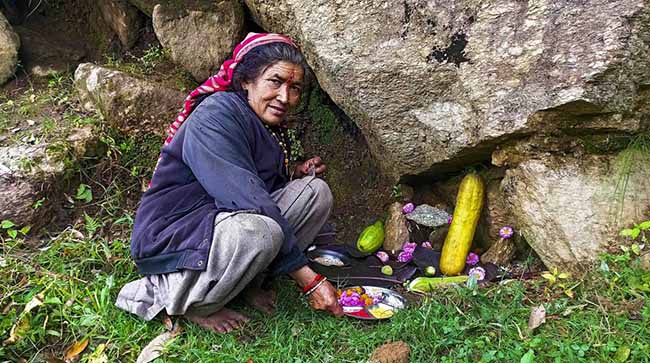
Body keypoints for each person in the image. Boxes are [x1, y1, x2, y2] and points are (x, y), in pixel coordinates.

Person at [116, 33, 344, 333]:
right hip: (178, 234)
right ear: (247, 80)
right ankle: (195, 304)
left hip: (220, 224)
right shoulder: (217, 113)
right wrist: (308, 278)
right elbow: (247, 197)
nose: (285, 97)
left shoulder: (265, 126)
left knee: (315, 193)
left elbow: (255, 184)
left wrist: (294, 176)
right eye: (275, 82)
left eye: (295, 88)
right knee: (261, 230)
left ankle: (242, 285)